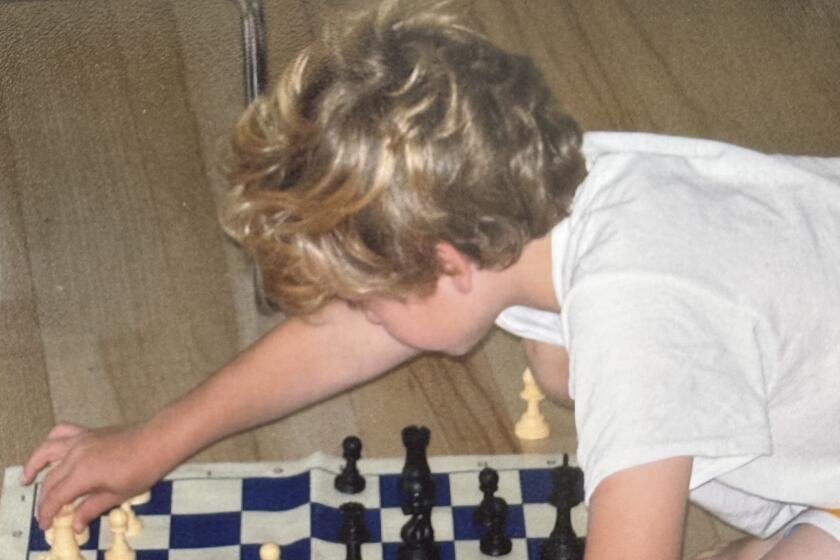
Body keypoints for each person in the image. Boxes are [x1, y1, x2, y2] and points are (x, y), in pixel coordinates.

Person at [22, 2, 840, 558]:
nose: (354, 319)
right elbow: (343, 339)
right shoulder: (536, 188)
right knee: (563, 371)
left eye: (368, 301)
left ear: (448, 264)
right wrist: (152, 441)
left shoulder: (643, 322)